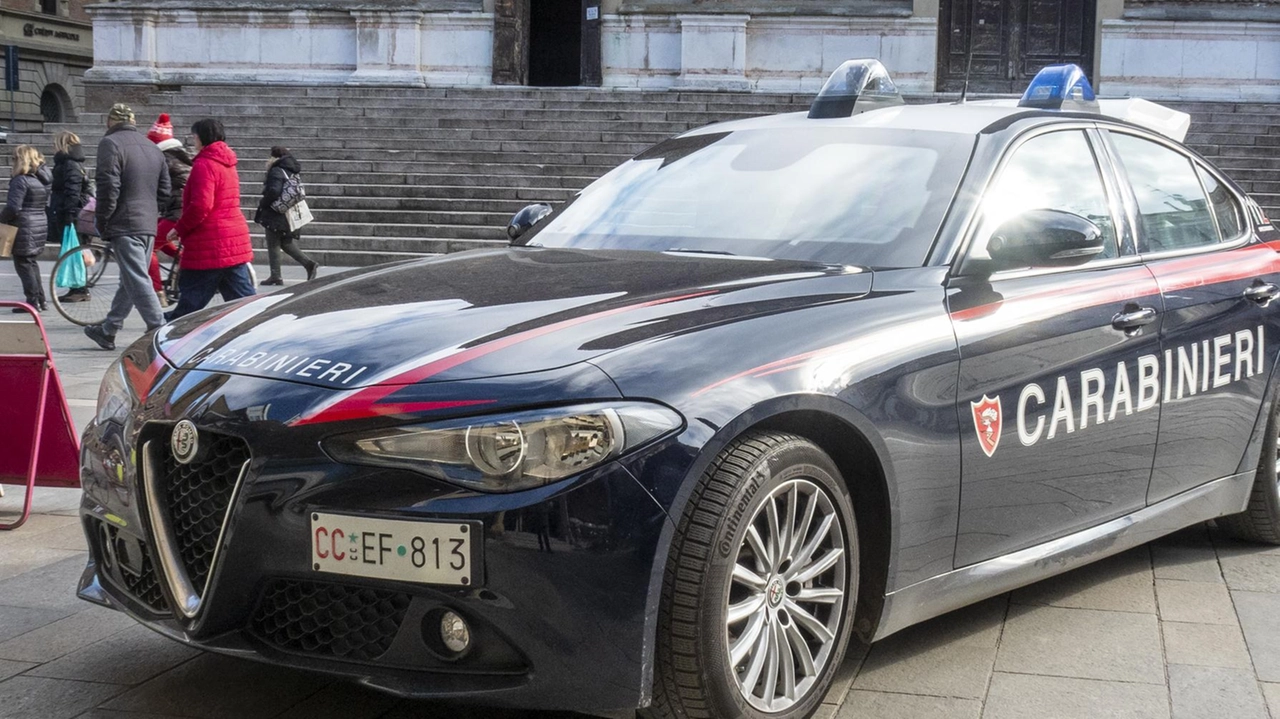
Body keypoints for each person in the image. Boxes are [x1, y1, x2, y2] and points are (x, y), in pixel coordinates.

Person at [83, 103, 171, 351]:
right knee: (131, 278)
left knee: (136, 278)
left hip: (124, 223)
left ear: (110, 122)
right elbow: (165, 190)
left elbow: (108, 186)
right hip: (147, 223)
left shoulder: (110, 144)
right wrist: (152, 212)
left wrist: (103, 219)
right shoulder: (153, 148)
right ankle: (108, 330)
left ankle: (159, 329)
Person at [165, 118, 255, 320]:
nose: (193, 140)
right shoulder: (227, 162)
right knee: (244, 301)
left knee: (190, 304)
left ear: (202, 137)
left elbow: (201, 206)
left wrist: (179, 229)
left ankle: (170, 331)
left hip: (210, 243)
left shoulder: (205, 164)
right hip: (232, 240)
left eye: (195, 136)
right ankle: (263, 327)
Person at [254, 145, 318, 285]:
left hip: (277, 213)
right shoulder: (291, 169)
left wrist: (264, 202)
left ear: (274, 157)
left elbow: (274, 190)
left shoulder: (277, 170)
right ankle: (308, 264)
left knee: (273, 243)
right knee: (285, 242)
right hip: (290, 212)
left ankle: (276, 275)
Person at [1, 145, 52, 312]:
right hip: (38, 223)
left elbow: (13, 208)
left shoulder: (20, 180)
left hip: (24, 226)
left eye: (15, 158)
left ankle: (32, 301)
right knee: (31, 263)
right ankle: (41, 300)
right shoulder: (40, 180)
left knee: (23, 264)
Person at [146, 113, 189, 306]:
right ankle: (182, 259)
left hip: (176, 212)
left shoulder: (164, 160)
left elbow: (154, 186)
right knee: (157, 237)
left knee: (147, 249)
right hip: (178, 209)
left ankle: (158, 291)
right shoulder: (180, 155)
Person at [49, 130, 91, 303]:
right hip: (72, 210)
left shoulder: (69, 164)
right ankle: (78, 287)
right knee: (74, 250)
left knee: (74, 250)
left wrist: (69, 213)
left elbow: (72, 190)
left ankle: (80, 288)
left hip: (71, 212)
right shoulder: (73, 163)